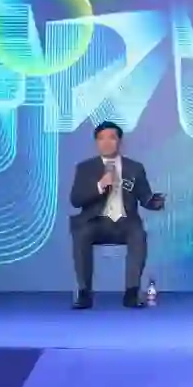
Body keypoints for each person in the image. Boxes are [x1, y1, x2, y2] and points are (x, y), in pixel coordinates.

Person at [69, 120, 166, 309]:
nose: (106, 143)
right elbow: (76, 200)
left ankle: (131, 292)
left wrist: (155, 203)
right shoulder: (85, 168)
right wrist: (100, 186)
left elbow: (145, 197)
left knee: (138, 234)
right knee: (81, 234)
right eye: (101, 139)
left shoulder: (134, 168)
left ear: (120, 142)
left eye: (111, 138)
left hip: (125, 223)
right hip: (95, 223)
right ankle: (84, 293)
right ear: (96, 142)